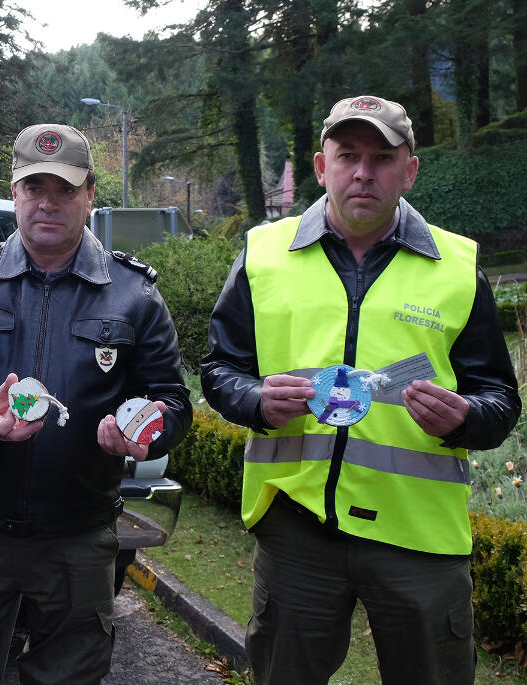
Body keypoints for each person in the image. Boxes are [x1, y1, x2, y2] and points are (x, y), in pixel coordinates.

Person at [201, 95, 522, 685]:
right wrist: (254, 402)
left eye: (382, 157)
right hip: (299, 525)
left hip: (418, 534)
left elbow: (500, 399)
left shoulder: (457, 267)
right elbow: (220, 368)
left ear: (410, 170)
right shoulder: (263, 254)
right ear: (322, 167)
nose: (363, 172)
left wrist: (466, 417)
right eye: (348, 155)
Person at [0, 124, 192, 684]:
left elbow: (173, 401)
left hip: (80, 537)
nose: (48, 202)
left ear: (90, 193)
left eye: (64, 189)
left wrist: (145, 431)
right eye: (33, 186)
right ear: (14, 192)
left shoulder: (133, 293)